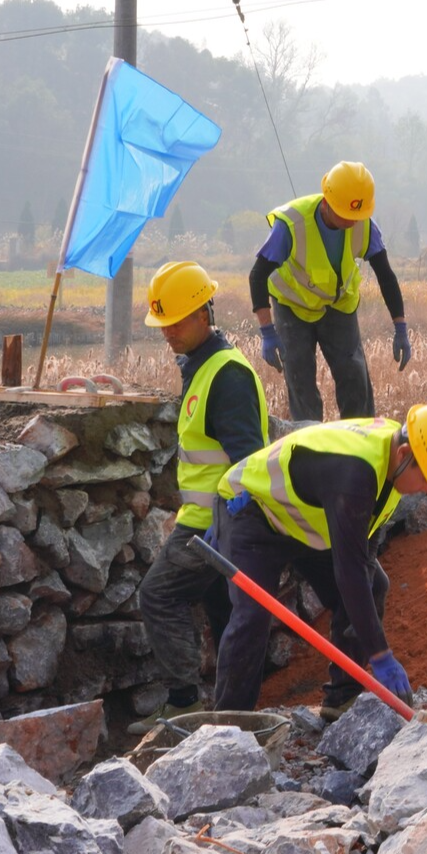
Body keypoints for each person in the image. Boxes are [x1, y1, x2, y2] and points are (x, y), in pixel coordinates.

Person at [212, 402, 427, 714]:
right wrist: (380, 656)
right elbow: (348, 573)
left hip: (306, 522)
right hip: (252, 510)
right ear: (404, 455)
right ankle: (227, 726)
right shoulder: (354, 473)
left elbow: (363, 556)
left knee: (374, 584)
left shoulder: (391, 462)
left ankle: (341, 698)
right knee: (253, 613)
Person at [131, 261, 268, 734]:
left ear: (203, 314)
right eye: (162, 323)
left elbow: (247, 457)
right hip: (206, 519)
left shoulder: (225, 375)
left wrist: (229, 522)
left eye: (176, 321)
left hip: (215, 523)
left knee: (158, 595)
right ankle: (234, 713)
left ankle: (185, 703)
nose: (167, 331)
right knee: (224, 610)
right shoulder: (202, 367)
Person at [252, 161, 410, 422]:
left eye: (356, 215)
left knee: (354, 377)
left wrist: (401, 328)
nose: (352, 221)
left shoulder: (365, 224)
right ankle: (309, 447)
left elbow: (385, 275)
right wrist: (267, 332)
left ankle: (361, 443)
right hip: (293, 308)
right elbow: (257, 276)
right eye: (345, 213)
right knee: (300, 381)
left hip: (339, 307)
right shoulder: (291, 224)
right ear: (327, 201)